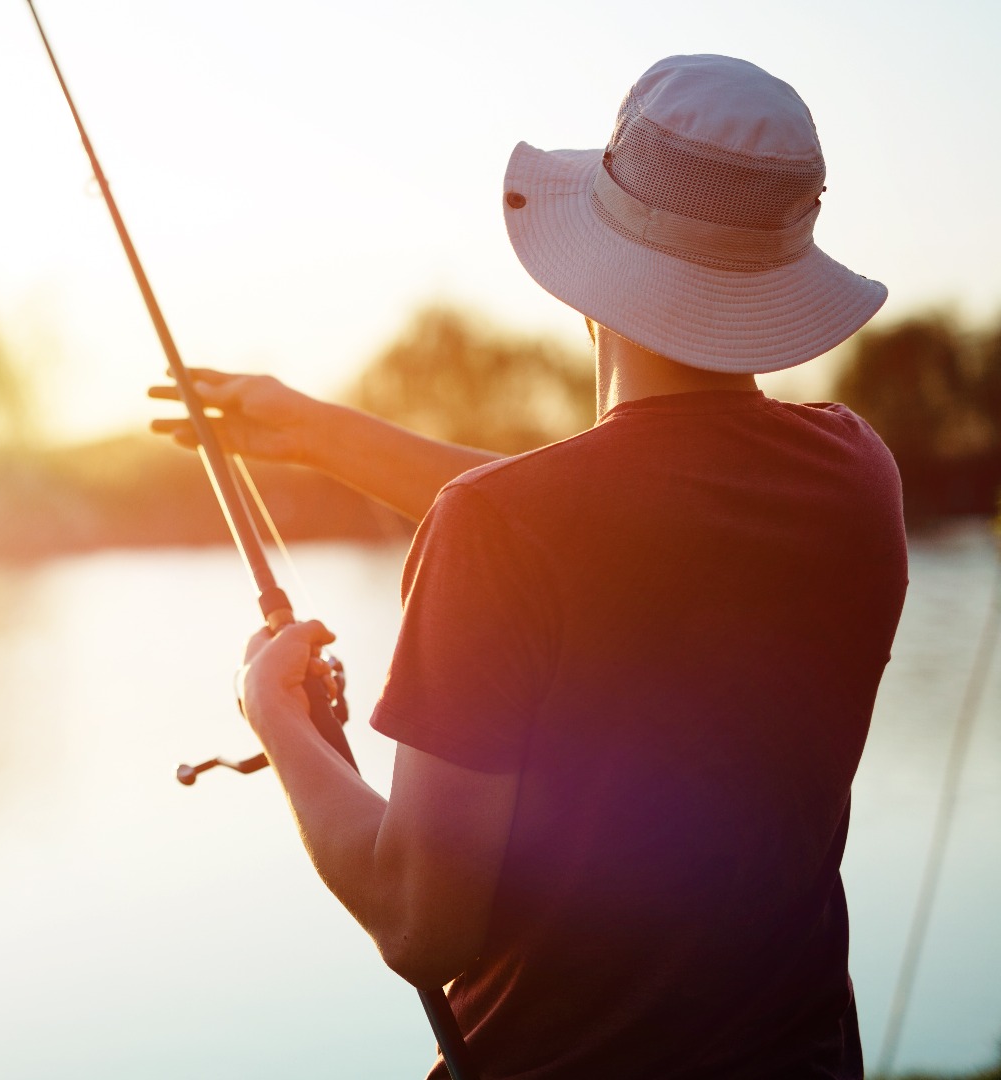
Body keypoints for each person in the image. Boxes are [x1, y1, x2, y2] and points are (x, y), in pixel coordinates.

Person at [151, 55, 907, 1078]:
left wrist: (279, 722)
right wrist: (322, 434)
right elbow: (610, 522)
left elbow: (423, 923)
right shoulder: (858, 474)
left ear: (592, 268)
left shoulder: (502, 530)